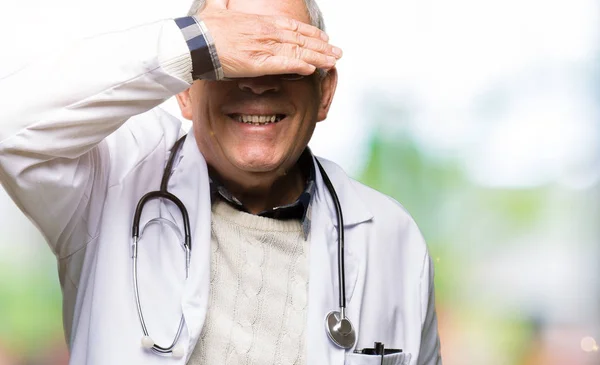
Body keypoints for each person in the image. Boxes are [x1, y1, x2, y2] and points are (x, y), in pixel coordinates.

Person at [0, 0, 442, 364]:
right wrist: (194, 43)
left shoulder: (392, 237)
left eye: (281, 57)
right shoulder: (110, 178)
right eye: (229, 63)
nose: (256, 86)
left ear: (324, 92)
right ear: (186, 90)